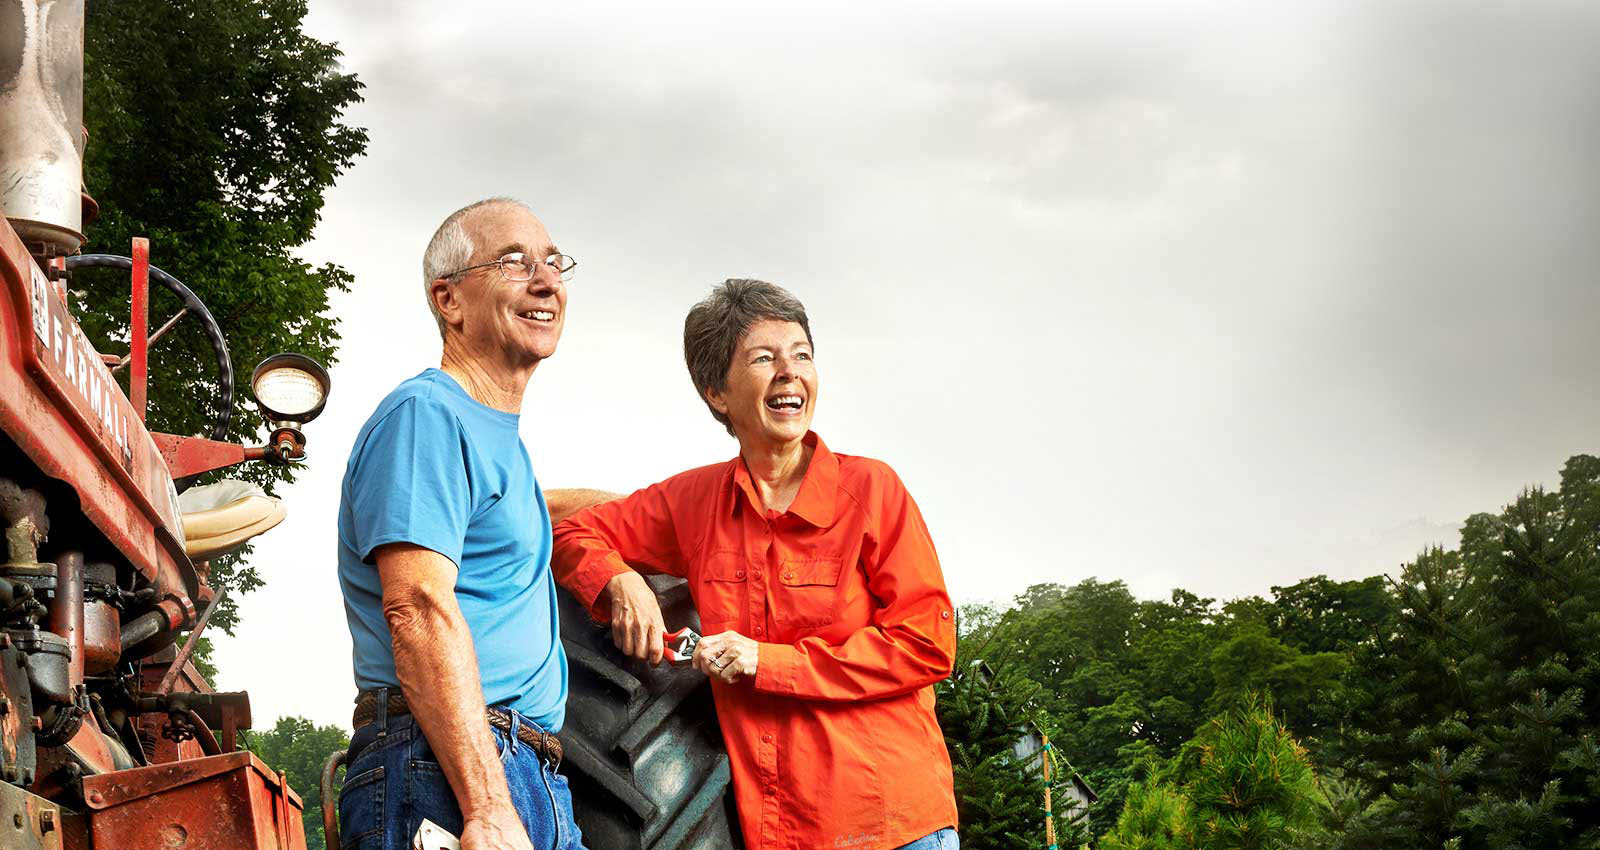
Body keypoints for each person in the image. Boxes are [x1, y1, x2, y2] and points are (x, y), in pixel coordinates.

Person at [552, 279, 960, 850]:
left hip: (890, 824)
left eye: (802, 356)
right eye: (764, 359)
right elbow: (574, 528)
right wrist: (618, 581)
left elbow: (926, 644)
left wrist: (766, 662)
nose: (790, 373)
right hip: (776, 832)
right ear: (717, 391)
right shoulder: (694, 503)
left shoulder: (873, 491)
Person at [335, 198, 608, 850]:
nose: (545, 281)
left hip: (530, 773)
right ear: (449, 300)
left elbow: (522, 511)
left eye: (553, 263)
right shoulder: (426, 415)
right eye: (514, 263)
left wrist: (638, 523)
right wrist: (486, 806)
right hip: (450, 768)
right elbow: (418, 607)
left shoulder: (497, 445)